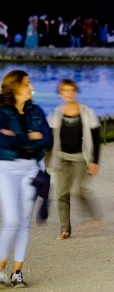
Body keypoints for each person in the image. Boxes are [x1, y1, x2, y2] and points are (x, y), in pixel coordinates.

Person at [0, 70, 53, 288]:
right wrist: (32, 137)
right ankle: (0, 269)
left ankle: (17, 273)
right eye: (27, 84)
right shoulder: (2, 112)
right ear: (15, 88)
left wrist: (21, 139)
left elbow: (48, 139)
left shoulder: (37, 110)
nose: (32, 88)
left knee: (24, 223)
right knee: (12, 219)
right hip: (7, 168)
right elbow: (5, 142)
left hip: (33, 169)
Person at [48, 79, 102, 240]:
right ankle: (65, 229)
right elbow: (49, 142)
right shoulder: (56, 114)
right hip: (61, 160)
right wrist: (46, 162)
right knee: (61, 194)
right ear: (61, 93)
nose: (68, 93)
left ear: (75, 92)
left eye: (71, 90)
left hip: (80, 158)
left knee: (78, 190)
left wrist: (94, 161)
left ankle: (93, 217)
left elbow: (96, 138)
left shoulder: (86, 112)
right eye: (65, 90)